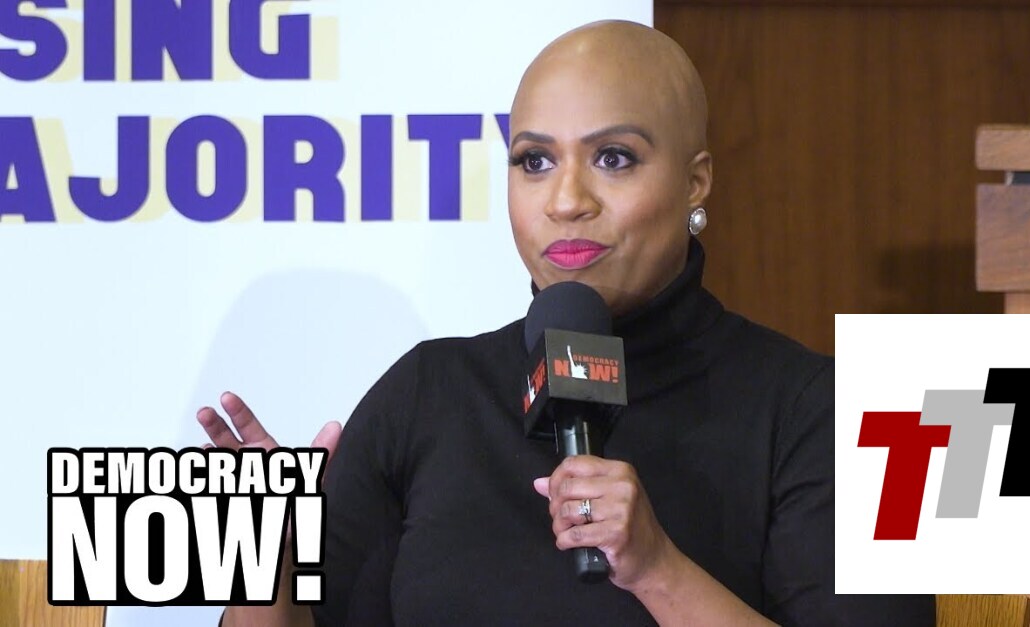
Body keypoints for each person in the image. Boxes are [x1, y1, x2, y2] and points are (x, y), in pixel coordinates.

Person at [199, 20, 935, 626]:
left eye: (613, 157)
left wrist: (657, 569)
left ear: (695, 181)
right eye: (534, 161)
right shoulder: (428, 391)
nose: (565, 199)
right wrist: (266, 560)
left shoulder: (817, 408)